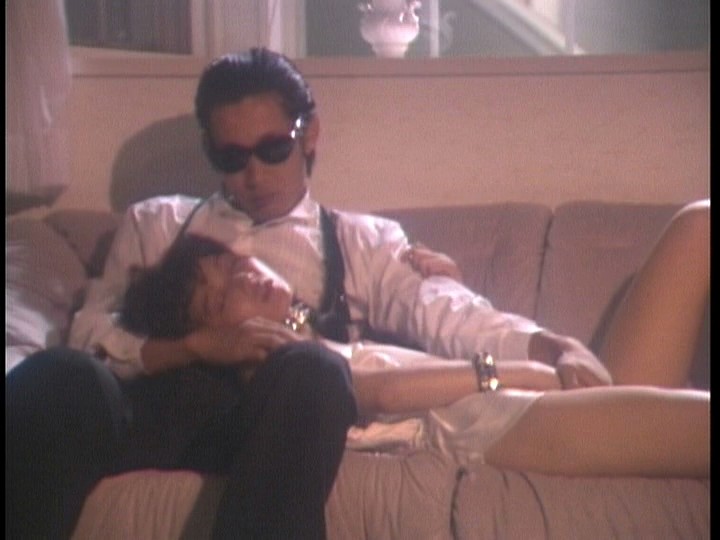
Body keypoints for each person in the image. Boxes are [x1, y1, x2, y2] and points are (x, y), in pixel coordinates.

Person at [68, 47, 611, 390]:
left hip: (292, 417)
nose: (253, 175)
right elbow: (88, 337)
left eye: (272, 149)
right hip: (173, 417)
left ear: (309, 136)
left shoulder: (362, 242)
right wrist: (189, 350)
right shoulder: (157, 225)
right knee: (59, 379)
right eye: (231, 157)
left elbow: (449, 317)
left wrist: (552, 346)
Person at [120, 196, 710, 479]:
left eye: (230, 264)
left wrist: (549, 346)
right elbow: (380, 392)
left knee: (698, 224)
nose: (243, 277)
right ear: (219, 337)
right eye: (220, 297)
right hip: (495, 423)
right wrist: (518, 373)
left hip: (539, 395)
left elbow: (444, 319)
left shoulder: (319, 328)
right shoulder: (281, 370)